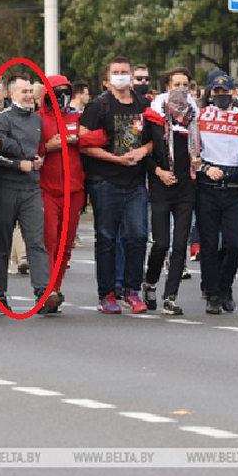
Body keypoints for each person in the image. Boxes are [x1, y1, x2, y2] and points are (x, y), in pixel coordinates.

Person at [79, 57, 153, 314]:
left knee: (138, 235)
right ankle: (107, 292)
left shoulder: (144, 104)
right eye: (116, 72)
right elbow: (84, 142)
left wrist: (142, 151)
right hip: (105, 181)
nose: (121, 76)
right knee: (107, 238)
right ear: (108, 78)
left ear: (132, 76)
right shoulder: (98, 106)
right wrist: (115, 158)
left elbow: (155, 138)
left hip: (135, 182)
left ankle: (132, 290)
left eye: (125, 72)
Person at [0, 77, 61, 313]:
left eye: (31, 91)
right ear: (12, 94)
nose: (30, 95)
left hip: (31, 187)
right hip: (7, 186)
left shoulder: (37, 119)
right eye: (25, 91)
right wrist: (18, 164)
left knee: (36, 242)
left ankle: (43, 293)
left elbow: (37, 150)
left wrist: (39, 159)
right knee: (3, 242)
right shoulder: (4, 118)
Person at [38, 76, 105, 310]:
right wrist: (47, 147)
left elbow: (101, 136)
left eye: (65, 91)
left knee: (66, 245)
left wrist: (75, 138)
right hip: (46, 189)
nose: (61, 95)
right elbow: (27, 147)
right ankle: (46, 290)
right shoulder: (37, 119)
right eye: (56, 91)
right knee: (50, 241)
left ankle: (55, 289)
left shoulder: (76, 118)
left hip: (74, 190)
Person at [194, 72, 238, 314]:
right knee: (208, 246)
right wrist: (206, 168)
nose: (221, 95)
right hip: (207, 188)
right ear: (210, 93)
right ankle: (213, 295)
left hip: (234, 188)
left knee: (235, 244)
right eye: (216, 92)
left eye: (225, 91)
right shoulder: (200, 117)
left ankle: (224, 286)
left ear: (233, 91)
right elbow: (192, 152)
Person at [141, 87, 195, 316]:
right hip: (162, 186)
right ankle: (151, 282)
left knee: (180, 244)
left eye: (185, 86)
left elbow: (200, 150)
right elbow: (145, 154)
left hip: (185, 188)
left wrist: (198, 162)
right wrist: (159, 172)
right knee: (161, 242)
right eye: (176, 86)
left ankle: (170, 296)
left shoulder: (194, 121)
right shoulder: (153, 121)